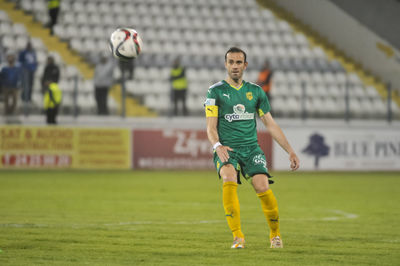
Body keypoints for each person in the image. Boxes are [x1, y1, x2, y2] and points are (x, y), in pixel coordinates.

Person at [205, 47, 299, 249]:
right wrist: (217, 145)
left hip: (251, 149)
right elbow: (210, 127)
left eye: (239, 62)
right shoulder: (215, 92)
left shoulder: (256, 92)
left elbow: (270, 124)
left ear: (245, 65)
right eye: (231, 62)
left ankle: (275, 235)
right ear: (225, 64)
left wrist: (290, 150)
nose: (235, 66)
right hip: (227, 149)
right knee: (229, 177)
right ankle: (238, 237)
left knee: (262, 186)